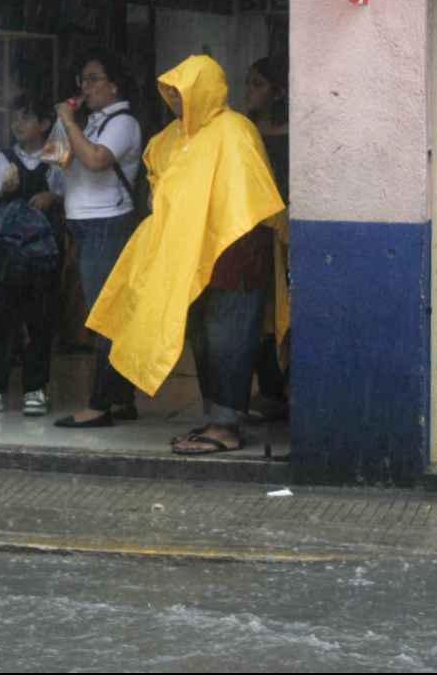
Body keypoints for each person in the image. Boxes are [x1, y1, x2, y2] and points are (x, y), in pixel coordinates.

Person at [85, 55, 287, 456]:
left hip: (233, 257)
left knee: (229, 338)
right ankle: (215, 418)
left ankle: (228, 427)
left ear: (205, 89)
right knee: (203, 340)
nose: (175, 99)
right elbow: (160, 186)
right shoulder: (172, 136)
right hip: (186, 256)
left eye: (183, 91)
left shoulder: (235, 131)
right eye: (171, 92)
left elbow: (251, 200)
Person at [50, 50, 146, 429]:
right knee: (110, 315)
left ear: (114, 85)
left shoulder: (122, 123)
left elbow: (95, 161)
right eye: (82, 81)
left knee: (105, 318)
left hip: (108, 224)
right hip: (84, 224)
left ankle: (100, 404)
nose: (84, 87)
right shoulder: (91, 122)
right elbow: (63, 169)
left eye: (92, 79)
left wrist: (69, 122)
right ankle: (121, 399)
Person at [0, 96, 65, 417]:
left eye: (26, 117)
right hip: (8, 252)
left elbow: (71, 195)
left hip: (44, 252)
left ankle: (35, 389)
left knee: (41, 319)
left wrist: (51, 195)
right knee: (2, 319)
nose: (18, 124)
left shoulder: (57, 155)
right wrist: (4, 192)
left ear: (43, 125)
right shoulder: (3, 159)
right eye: (14, 118)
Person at [244, 57, 291, 420]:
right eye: (249, 82)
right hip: (253, 233)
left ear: (278, 92)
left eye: (258, 83)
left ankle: (283, 389)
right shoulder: (244, 132)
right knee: (260, 315)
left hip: (287, 235)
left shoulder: (294, 135)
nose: (249, 91)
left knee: (285, 313)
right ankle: (269, 390)